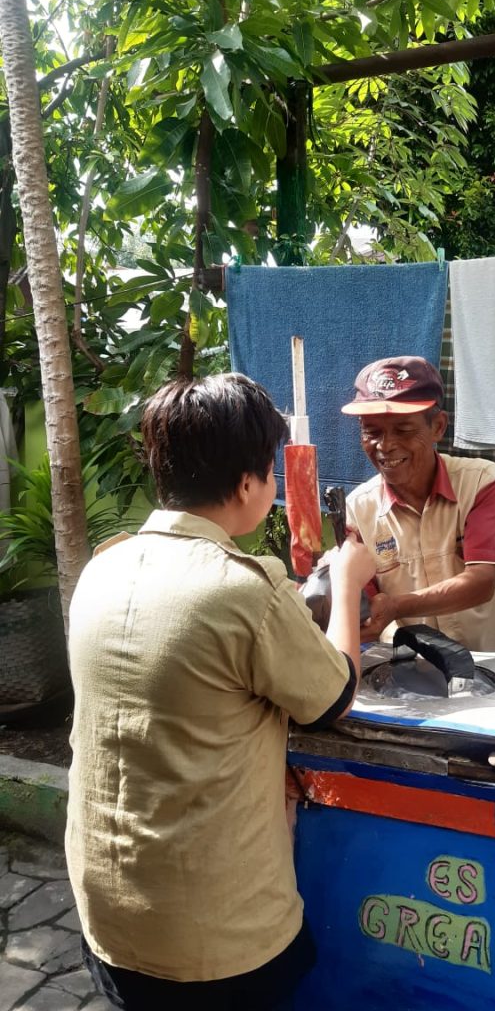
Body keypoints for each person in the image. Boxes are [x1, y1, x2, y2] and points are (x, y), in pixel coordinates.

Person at [65, 373, 375, 1011]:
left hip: (111, 913)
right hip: (214, 940)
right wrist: (347, 583)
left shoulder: (104, 565)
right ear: (247, 483)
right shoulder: (239, 589)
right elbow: (334, 696)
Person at [342, 355, 495, 654]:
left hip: (490, 668)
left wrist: (396, 606)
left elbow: (482, 582)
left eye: (403, 430)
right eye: (372, 432)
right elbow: (365, 604)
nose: (385, 445)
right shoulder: (358, 510)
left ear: (438, 426)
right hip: (409, 675)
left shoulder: (481, 482)